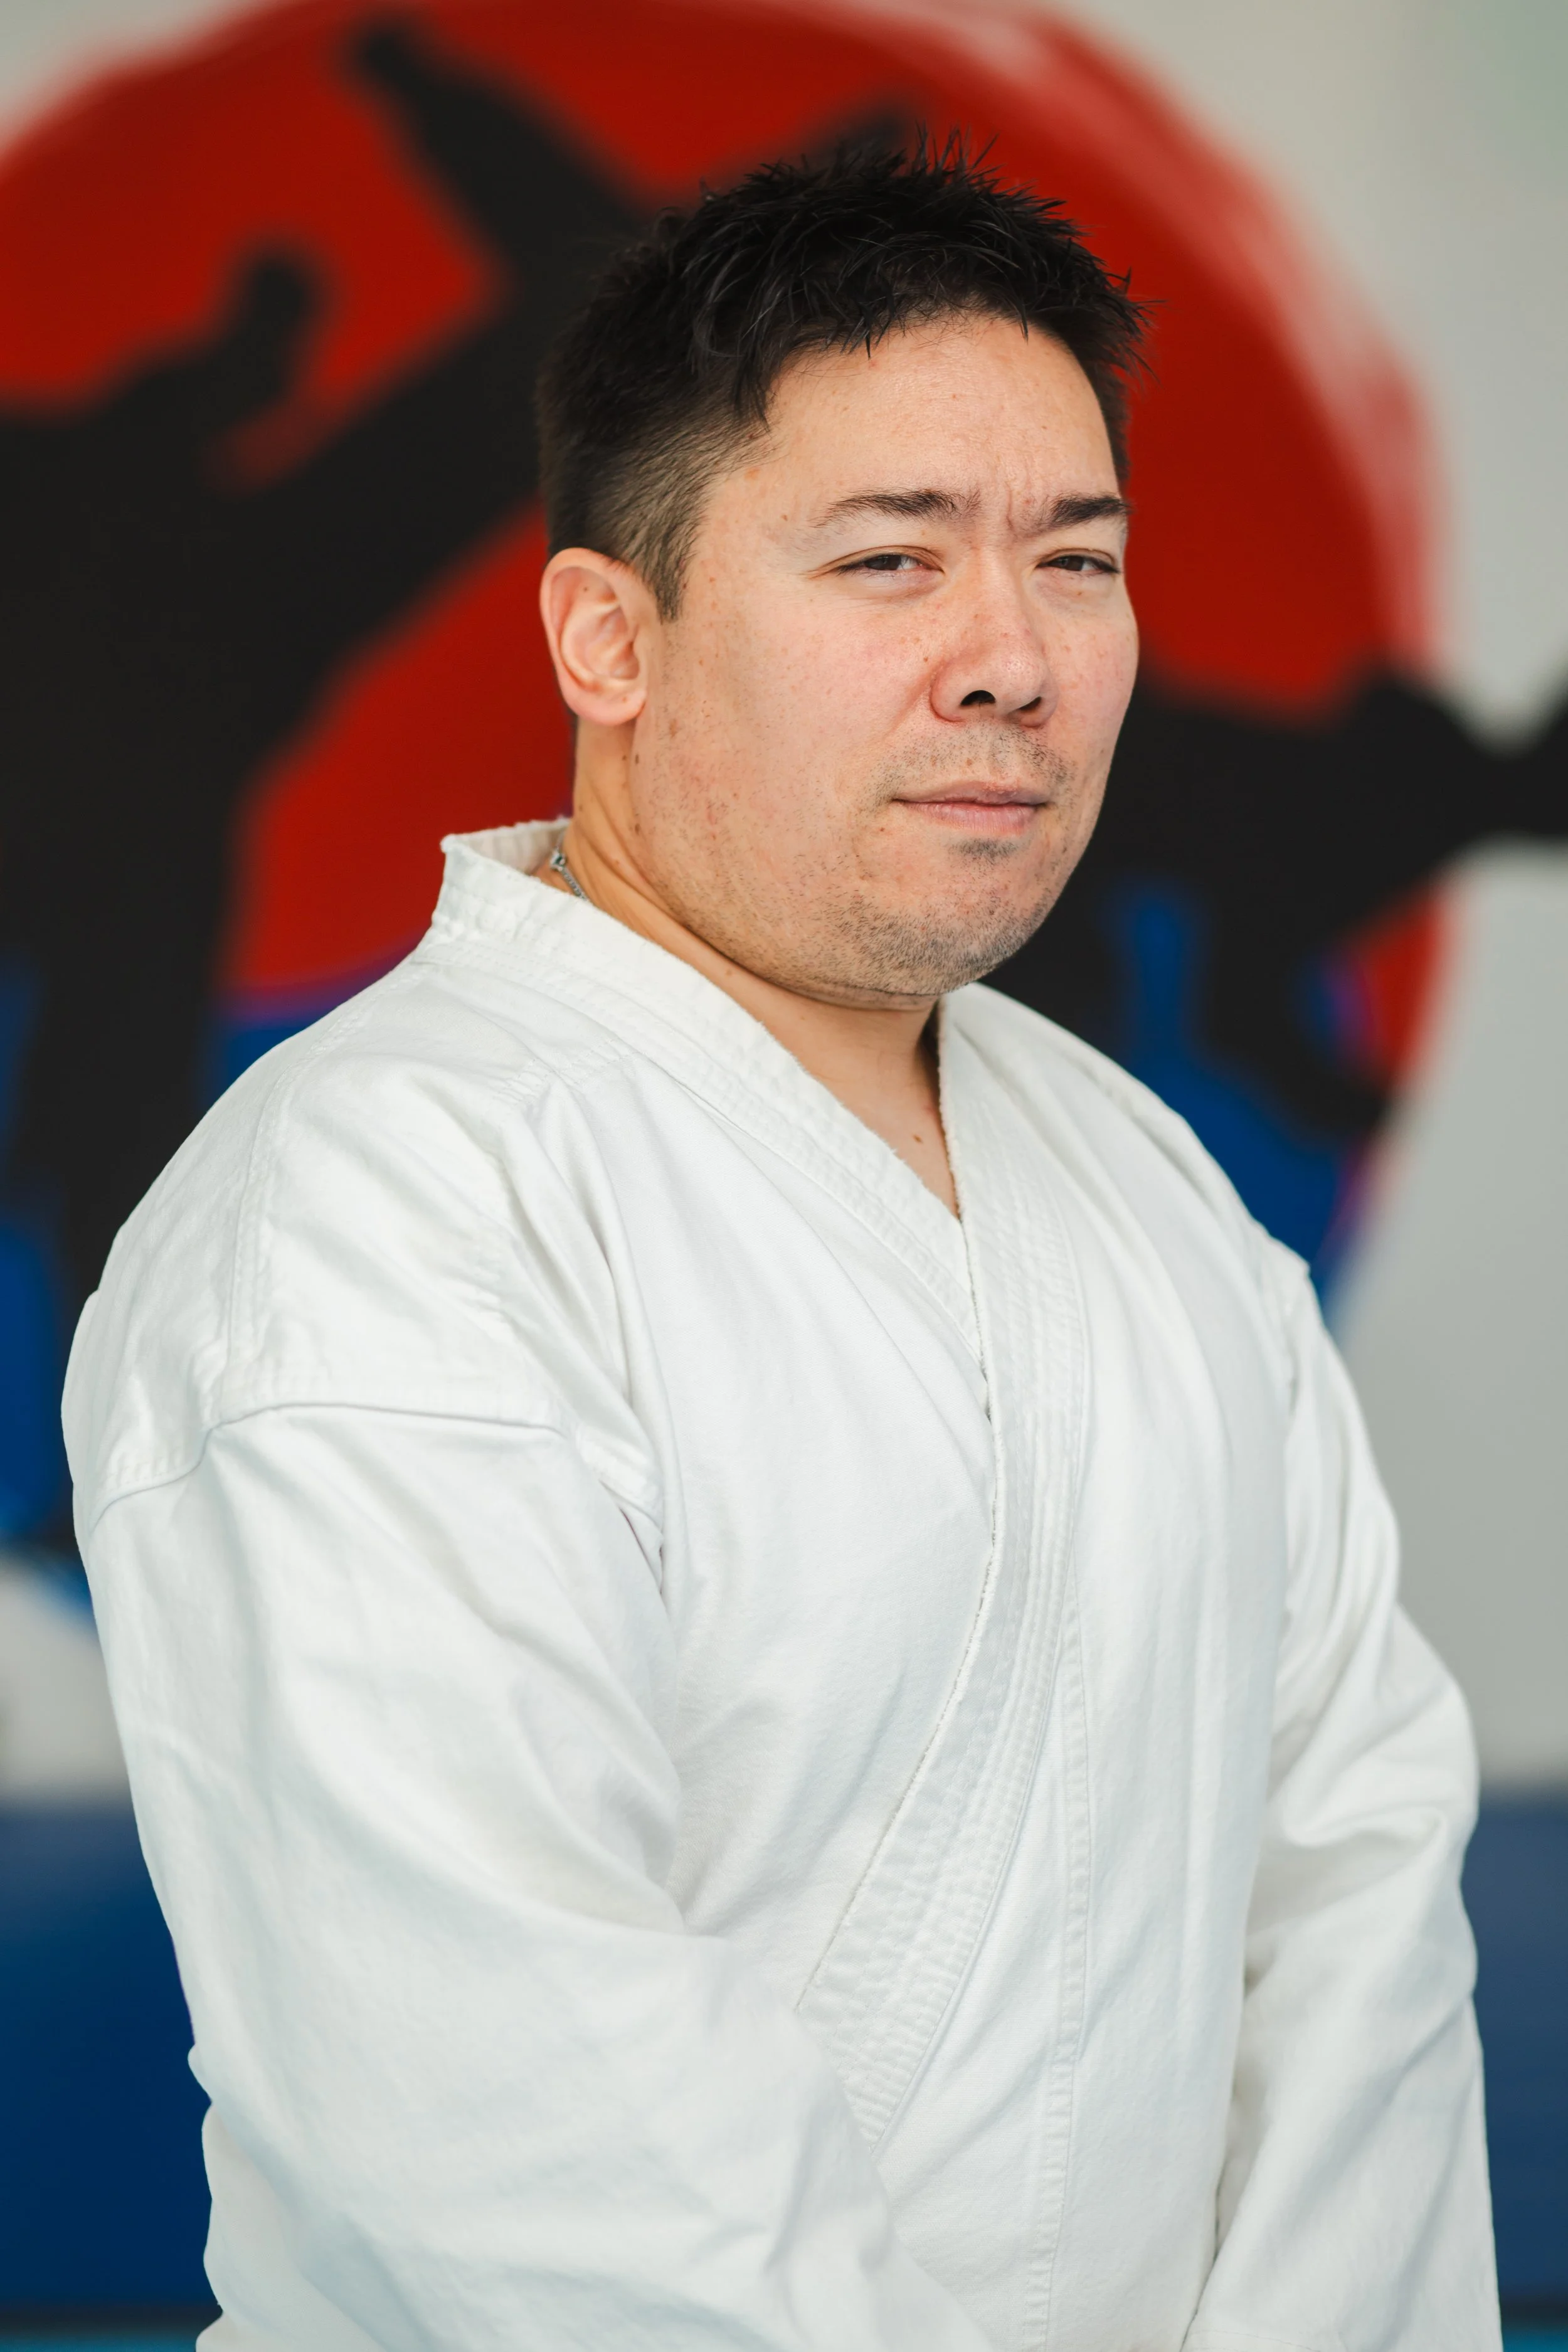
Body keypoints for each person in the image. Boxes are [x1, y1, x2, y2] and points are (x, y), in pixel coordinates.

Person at [65, 144, 1498, 2351]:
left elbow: (1355, 1902)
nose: (1011, 659)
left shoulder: (1148, 1190)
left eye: (1077, 560)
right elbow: (519, 2113)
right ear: (604, 636)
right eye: (888, 558)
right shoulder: (368, 1222)